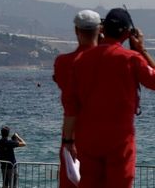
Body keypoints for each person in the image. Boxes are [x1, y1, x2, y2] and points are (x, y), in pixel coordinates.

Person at [63, 7, 155, 188]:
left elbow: (71, 105)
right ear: (127, 33)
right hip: (120, 139)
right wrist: (142, 50)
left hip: (88, 139)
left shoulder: (81, 61)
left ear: (103, 29)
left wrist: (68, 140)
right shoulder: (131, 59)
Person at [54, 11, 100, 188]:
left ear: (76, 30)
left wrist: (67, 141)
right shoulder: (110, 62)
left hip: (72, 135)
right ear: (99, 30)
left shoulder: (63, 62)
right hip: (103, 134)